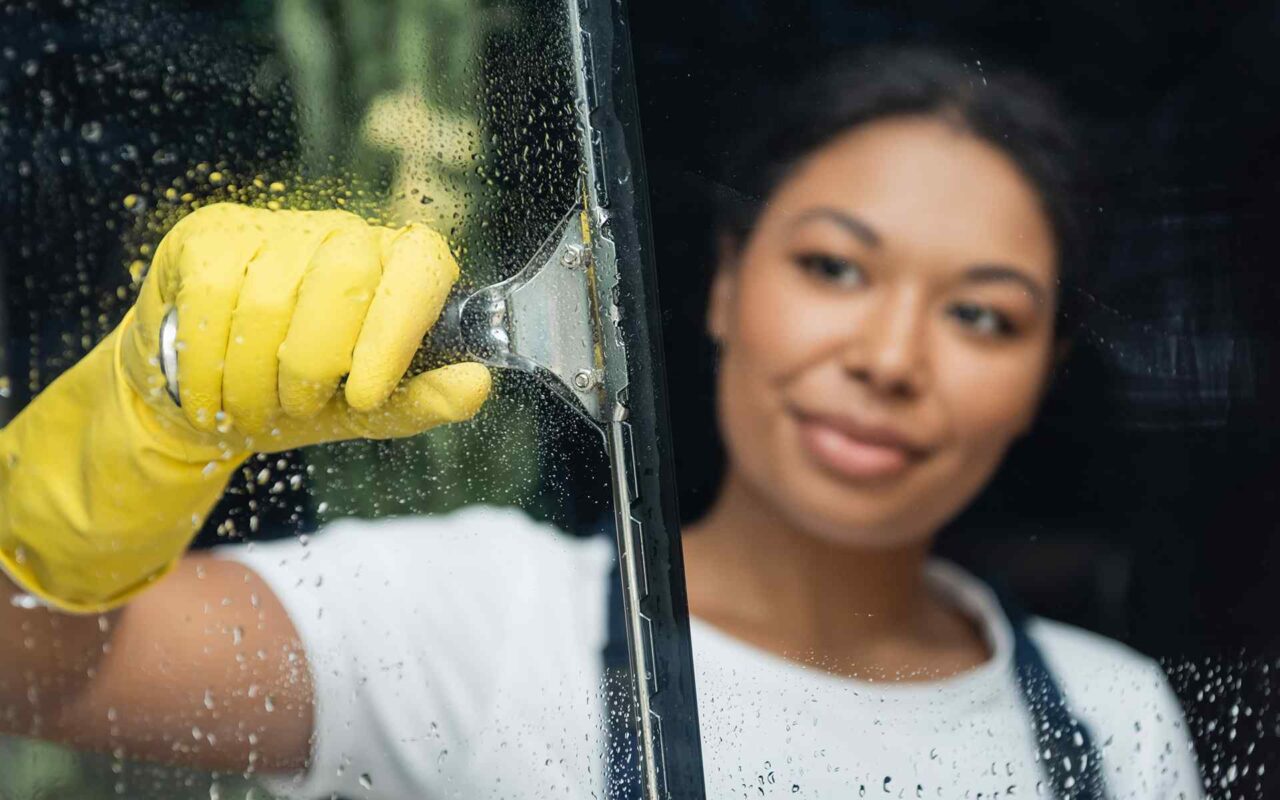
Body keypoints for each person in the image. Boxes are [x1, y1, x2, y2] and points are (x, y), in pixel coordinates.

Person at [0, 48, 1203, 799]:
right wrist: (134, 428)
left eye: (982, 316)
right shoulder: (474, 619)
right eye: (835, 269)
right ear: (726, 285)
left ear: (1042, 371)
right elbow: (34, 674)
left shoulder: (1109, 720)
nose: (888, 358)